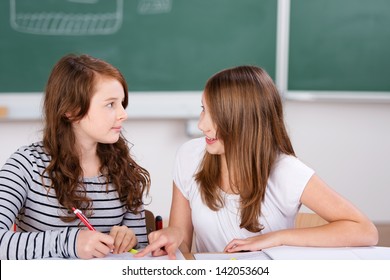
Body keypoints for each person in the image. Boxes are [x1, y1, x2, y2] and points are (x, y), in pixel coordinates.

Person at [136, 65, 378, 259]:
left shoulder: (285, 170)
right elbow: (184, 240)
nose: (202, 125)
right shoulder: (189, 156)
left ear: (244, 123)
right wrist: (172, 236)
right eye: (203, 110)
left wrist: (276, 238)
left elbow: (365, 230)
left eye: (215, 116)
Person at [0, 54, 151, 260]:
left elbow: (140, 254)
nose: (123, 114)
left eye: (122, 103)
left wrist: (129, 239)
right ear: (71, 110)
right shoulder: (26, 165)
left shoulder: (124, 168)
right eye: (110, 104)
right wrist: (71, 242)